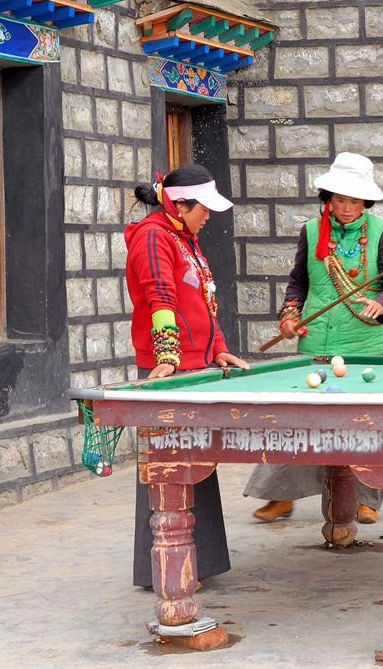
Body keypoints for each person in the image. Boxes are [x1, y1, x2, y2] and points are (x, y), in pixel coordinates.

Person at [244, 153, 383, 524]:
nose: (347, 208)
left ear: (365, 201)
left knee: (365, 422)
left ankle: (367, 498)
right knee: (299, 420)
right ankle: (279, 496)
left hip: (363, 345)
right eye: (340, 199)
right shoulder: (311, 231)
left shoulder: (381, 233)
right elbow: (298, 283)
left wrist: (382, 304)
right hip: (316, 344)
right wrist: (289, 316)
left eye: (354, 200)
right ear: (327, 197)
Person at [126, 164, 250, 588]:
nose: (208, 216)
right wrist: (167, 354)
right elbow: (158, 295)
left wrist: (218, 350)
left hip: (195, 363)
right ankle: (161, 570)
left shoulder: (184, 237)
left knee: (197, 467)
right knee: (167, 470)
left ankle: (201, 563)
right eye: (203, 208)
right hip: (169, 366)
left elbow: (202, 303)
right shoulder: (152, 236)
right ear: (179, 204)